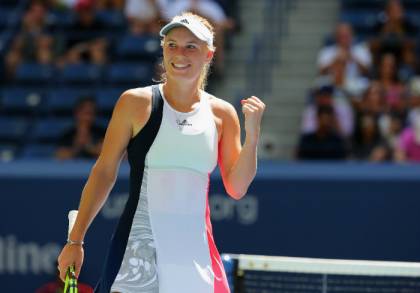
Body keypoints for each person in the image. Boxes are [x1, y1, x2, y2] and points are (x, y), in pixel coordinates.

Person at [57, 12, 265, 293]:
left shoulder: (223, 114)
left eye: (191, 45)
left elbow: (237, 187)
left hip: (195, 257)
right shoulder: (134, 103)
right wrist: (75, 241)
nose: (180, 53)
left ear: (209, 54)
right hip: (136, 255)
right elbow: (104, 172)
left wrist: (252, 137)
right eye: (171, 44)